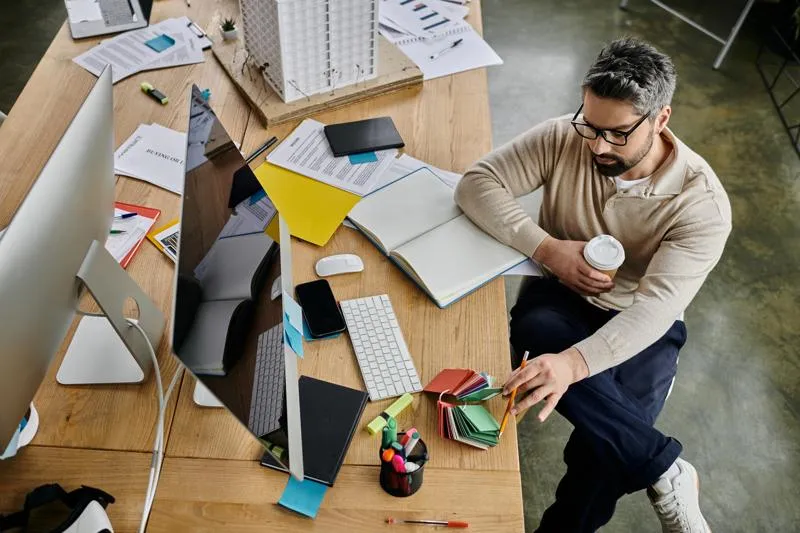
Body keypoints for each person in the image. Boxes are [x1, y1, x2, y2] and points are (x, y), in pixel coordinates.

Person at [454, 38, 731, 533]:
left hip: (639, 318)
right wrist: (547, 249)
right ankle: (665, 467)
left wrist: (573, 365)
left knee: (599, 452)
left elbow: (655, 309)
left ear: (661, 120)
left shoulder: (702, 205)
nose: (598, 146)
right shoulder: (565, 135)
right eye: (590, 125)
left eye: (619, 133)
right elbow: (477, 183)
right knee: (537, 331)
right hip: (560, 295)